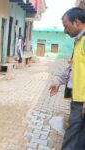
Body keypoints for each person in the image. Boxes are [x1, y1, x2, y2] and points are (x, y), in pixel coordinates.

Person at [49, 7, 85, 150]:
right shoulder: (79, 42)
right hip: (78, 98)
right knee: (80, 138)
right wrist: (58, 81)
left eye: (66, 26)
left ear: (76, 22)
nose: (65, 30)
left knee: (72, 139)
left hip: (82, 100)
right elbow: (73, 67)